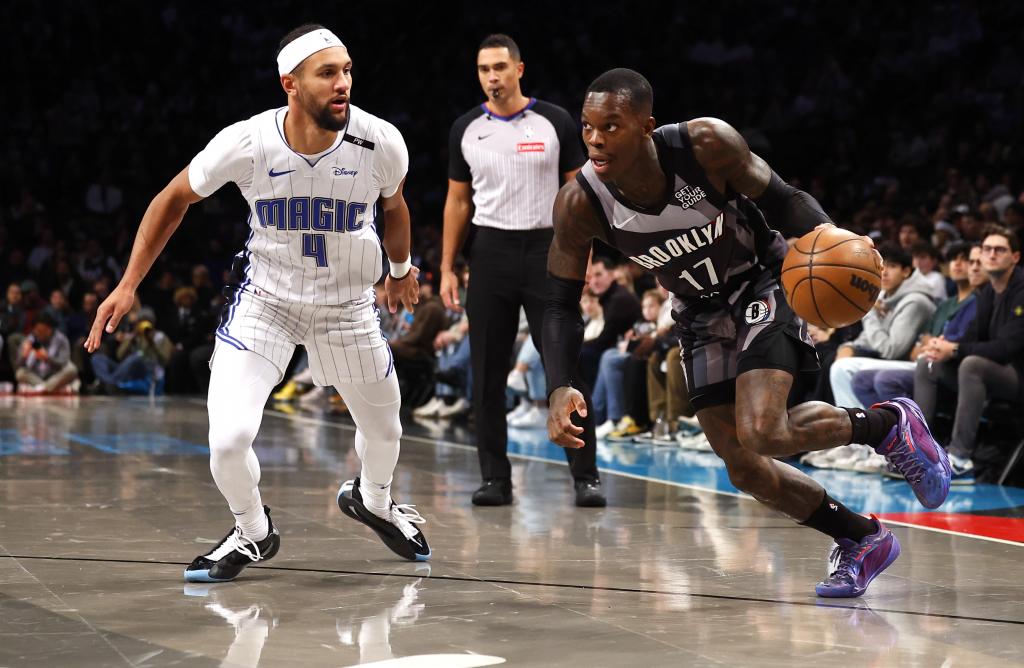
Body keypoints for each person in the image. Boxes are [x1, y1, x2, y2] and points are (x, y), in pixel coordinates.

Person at [543, 68, 952, 598]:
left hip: (763, 279)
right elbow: (558, 302)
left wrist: (835, 237)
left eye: (612, 126)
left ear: (647, 126)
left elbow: (784, 199)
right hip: (696, 312)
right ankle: (860, 538)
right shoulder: (581, 203)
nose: (596, 139)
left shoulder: (704, 145)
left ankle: (885, 425)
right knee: (744, 465)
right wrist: (559, 382)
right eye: (588, 126)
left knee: (763, 428)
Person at [85, 24, 429, 583]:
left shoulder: (381, 140)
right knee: (227, 440)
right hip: (267, 301)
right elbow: (172, 199)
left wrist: (399, 270)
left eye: (346, 70)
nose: (343, 83)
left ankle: (375, 500)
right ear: (289, 84)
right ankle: (251, 530)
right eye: (327, 74)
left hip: (346, 305)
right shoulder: (246, 141)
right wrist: (128, 284)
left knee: (386, 432)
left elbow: (396, 206)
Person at [439, 34, 604, 507]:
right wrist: (448, 267)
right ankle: (495, 478)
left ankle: (585, 475)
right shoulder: (465, 129)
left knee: (564, 365)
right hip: (489, 249)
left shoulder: (553, 121)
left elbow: (580, 195)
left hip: (548, 249)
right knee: (486, 372)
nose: (491, 76)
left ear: (518, 70)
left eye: (499, 67)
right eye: (483, 69)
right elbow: (457, 200)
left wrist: (584, 254)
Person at [917, 226, 1024, 484]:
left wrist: (955, 349)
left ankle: (960, 458)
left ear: (1015, 257)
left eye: (1000, 250)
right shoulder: (988, 291)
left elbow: (1006, 348)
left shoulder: (1021, 290)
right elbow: (972, 336)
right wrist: (943, 346)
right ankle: (920, 451)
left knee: (972, 365)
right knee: (927, 363)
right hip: (995, 373)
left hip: (1018, 376)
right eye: (987, 249)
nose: (992, 254)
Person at [15, 312, 78, 394]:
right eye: (36, 330)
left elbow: (63, 363)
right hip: (35, 376)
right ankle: (50, 388)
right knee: (20, 373)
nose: (38, 333)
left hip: (54, 374)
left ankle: (40, 389)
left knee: (71, 369)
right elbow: (18, 365)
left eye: (41, 331)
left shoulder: (61, 340)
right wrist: (24, 355)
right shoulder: (29, 340)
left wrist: (47, 358)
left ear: (49, 330)